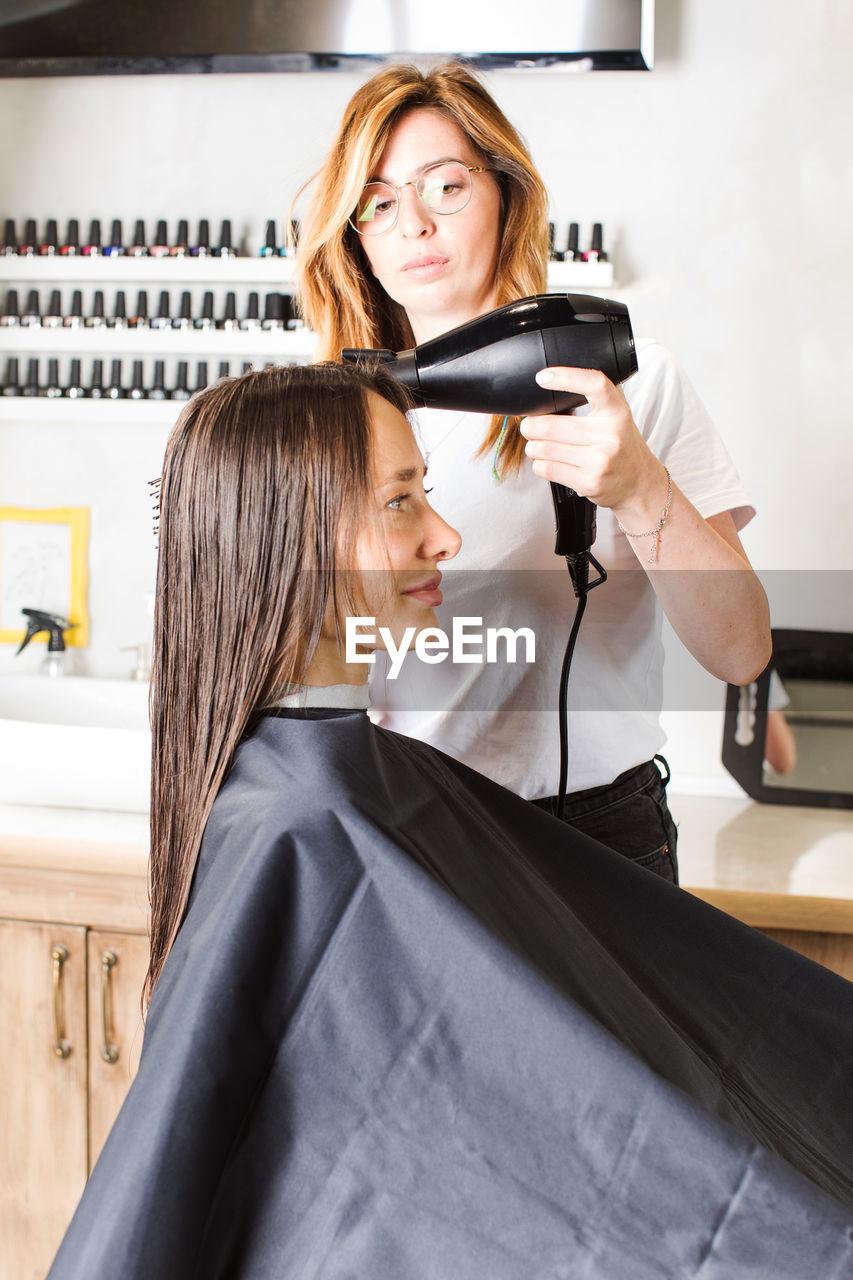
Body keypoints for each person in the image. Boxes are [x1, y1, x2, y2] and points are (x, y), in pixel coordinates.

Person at [47, 364, 853, 1278]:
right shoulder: (308, 827)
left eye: (424, 493)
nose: (447, 536)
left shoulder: (322, 803)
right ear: (284, 534)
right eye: (401, 503)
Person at [296, 61, 772, 883]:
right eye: (378, 202)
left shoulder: (623, 382)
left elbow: (740, 652)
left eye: (444, 187)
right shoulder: (328, 410)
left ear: (506, 195)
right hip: (390, 830)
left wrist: (639, 490)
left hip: (595, 842)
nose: (412, 224)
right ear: (354, 236)